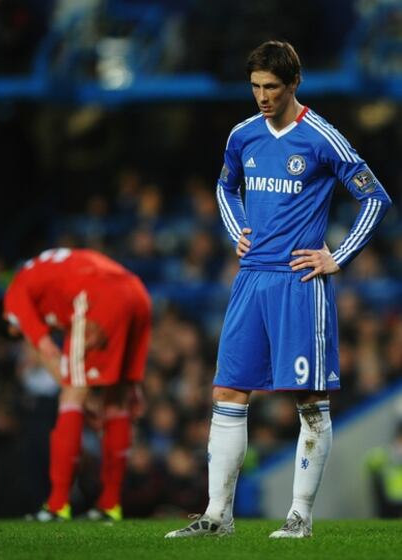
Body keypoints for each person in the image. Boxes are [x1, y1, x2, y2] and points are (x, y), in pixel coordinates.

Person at [165, 40, 392, 539]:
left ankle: (299, 517)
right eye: (255, 87)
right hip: (251, 280)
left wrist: (337, 255)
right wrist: (236, 228)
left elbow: (374, 198)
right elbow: (225, 188)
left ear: (293, 84)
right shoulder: (243, 135)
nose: (262, 97)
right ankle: (217, 516)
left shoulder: (321, 137)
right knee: (228, 391)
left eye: (271, 87)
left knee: (309, 401)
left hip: (300, 282)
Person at [0, 247, 151, 521]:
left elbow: (48, 351)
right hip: (136, 292)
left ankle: (57, 506)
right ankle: (110, 505)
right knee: (116, 402)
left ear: (8, 321)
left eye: (17, 333)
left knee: (70, 399)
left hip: (96, 295)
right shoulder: (46, 280)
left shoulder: (13, 298)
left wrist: (81, 398)